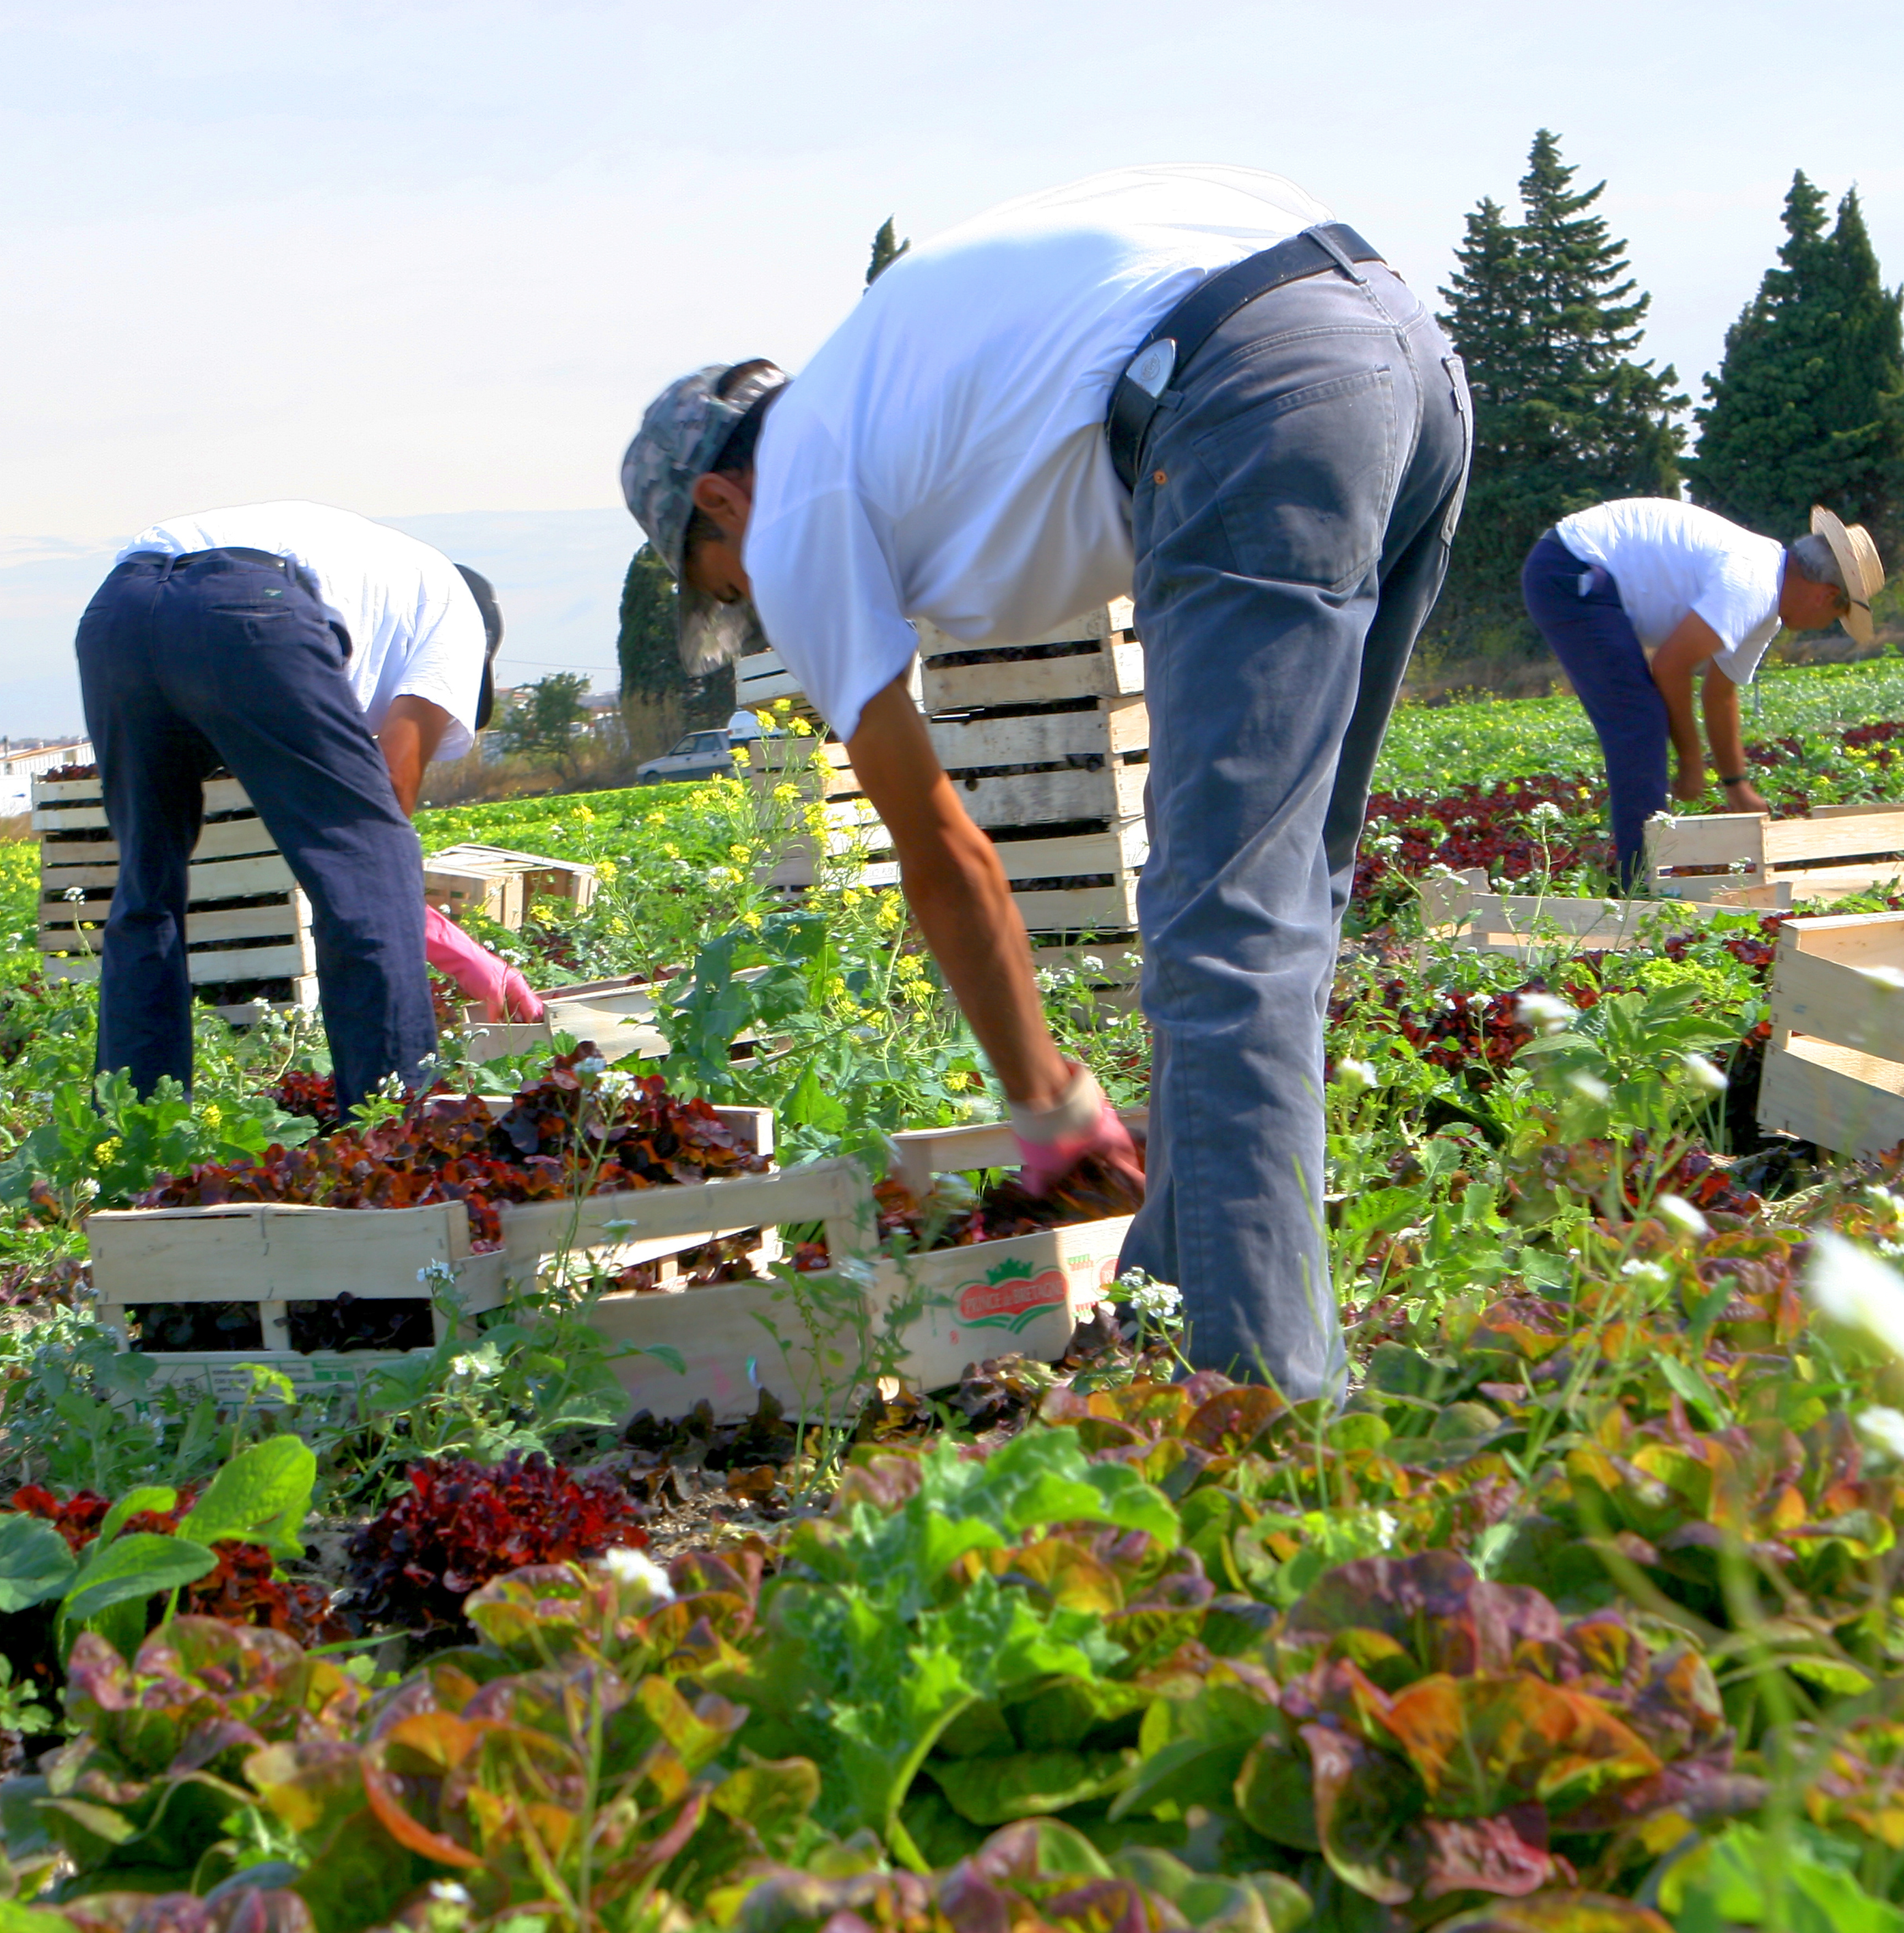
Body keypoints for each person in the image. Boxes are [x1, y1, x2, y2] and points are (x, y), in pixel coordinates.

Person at [620, 164, 1472, 1402]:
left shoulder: (791, 498)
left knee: (1222, 917)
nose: (744, 602)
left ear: (716, 498)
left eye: (719, 579)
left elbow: (940, 848)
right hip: (1400, 349)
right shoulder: (879, 394)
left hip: (1247, 389)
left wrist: (1044, 1095)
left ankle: (1260, 1414)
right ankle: (1182, 1291)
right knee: (1287, 891)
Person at [72, 499, 538, 1113]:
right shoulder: (456, 618)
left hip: (119, 610)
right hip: (248, 605)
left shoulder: (378, 577)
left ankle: (133, 1135)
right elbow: (378, 821)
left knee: (146, 886)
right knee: (374, 855)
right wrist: (464, 954)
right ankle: (393, 1133)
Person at [1519, 500, 1883, 888]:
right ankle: (1639, 885)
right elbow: (1669, 667)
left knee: (1641, 716)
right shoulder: (1753, 583)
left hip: (1580, 567)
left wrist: (1735, 783)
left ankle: (1641, 874)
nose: (1825, 625)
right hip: (1571, 567)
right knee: (1638, 720)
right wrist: (1691, 761)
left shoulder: (1767, 599)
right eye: (1836, 616)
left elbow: (1719, 692)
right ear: (1825, 596)